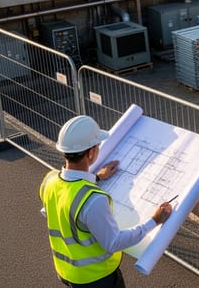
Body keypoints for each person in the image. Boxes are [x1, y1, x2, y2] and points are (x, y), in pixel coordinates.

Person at [39, 115, 172, 288]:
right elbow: (114, 243)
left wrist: (97, 177)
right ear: (91, 152)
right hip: (96, 278)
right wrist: (154, 220)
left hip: (66, 271)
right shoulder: (93, 199)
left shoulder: (49, 181)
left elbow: (56, 207)